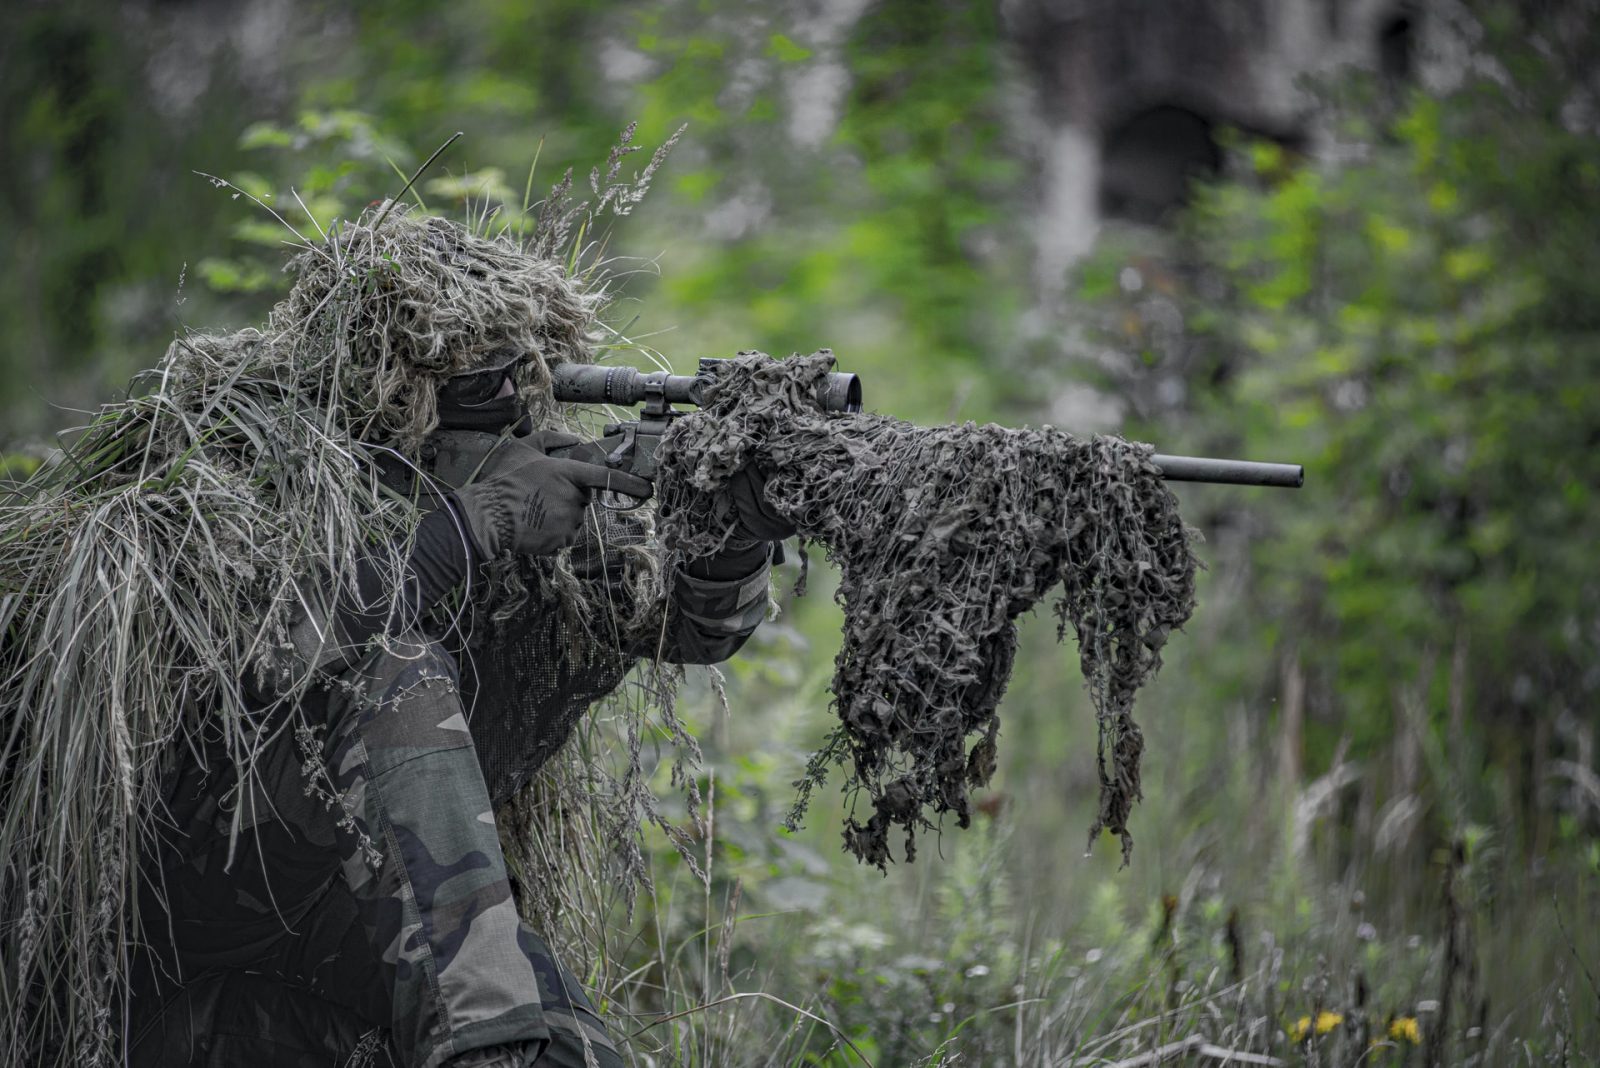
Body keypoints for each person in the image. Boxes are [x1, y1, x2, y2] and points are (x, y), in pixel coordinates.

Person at [123, 346, 793, 1064]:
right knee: (399, 671)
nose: (508, 407)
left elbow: (683, 628)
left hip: (332, 929)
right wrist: (468, 526)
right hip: (181, 924)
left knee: (566, 1046)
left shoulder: (533, 485)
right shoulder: (271, 469)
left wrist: (733, 537)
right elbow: (267, 660)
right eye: (476, 385)